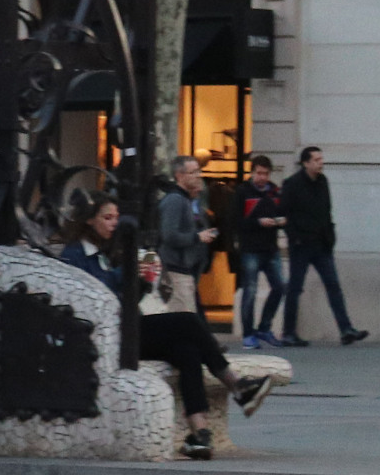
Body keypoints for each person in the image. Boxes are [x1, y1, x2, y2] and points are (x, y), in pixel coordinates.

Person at [62, 196, 277, 458]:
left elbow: (125, 298)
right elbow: (95, 293)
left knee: (187, 350)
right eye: (108, 218)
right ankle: (237, 386)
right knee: (187, 320)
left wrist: (140, 280)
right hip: (105, 336)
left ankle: (199, 434)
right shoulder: (75, 254)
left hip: (124, 327)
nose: (114, 224)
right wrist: (129, 273)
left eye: (116, 218)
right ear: (88, 220)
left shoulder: (107, 252)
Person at [277, 146, 368, 346]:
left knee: (333, 286)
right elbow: (284, 214)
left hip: (321, 244)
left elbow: (327, 211)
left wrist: (330, 235)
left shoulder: (322, 182)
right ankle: (288, 332)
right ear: (306, 163)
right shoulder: (291, 184)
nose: (321, 163)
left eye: (321, 159)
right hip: (301, 245)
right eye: (316, 160)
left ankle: (346, 329)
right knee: (294, 288)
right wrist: (295, 237)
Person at [233, 153, 287, 347]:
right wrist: (258, 222)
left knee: (280, 287)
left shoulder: (274, 192)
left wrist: (280, 221)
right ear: (252, 172)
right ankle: (248, 333)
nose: (262, 177)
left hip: (271, 248)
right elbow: (236, 221)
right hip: (251, 249)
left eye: (265, 174)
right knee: (250, 290)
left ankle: (264, 327)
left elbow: (282, 212)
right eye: (259, 173)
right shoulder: (242, 192)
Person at [154, 156, 217, 315]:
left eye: (198, 171)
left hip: (184, 270)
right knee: (182, 318)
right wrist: (197, 237)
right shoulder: (176, 200)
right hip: (176, 271)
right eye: (193, 172)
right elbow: (169, 235)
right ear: (179, 175)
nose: (198, 176)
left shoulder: (184, 200)